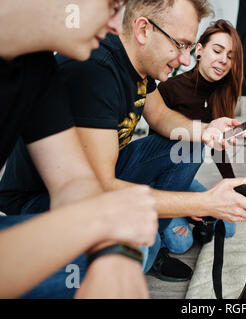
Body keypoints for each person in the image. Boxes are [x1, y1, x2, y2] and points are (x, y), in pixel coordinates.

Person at [0, 0, 246, 284]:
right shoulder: (91, 67)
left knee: (189, 146)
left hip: (97, 176)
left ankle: (153, 237)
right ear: (143, 30)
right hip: (38, 200)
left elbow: (159, 116)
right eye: (181, 45)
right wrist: (200, 203)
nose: (186, 59)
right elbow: (93, 188)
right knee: (137, 248)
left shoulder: (47, 66)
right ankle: (150, 243)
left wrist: (206, 130)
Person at [0, 0, 158, 299]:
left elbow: (72, 180)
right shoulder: (94, 66)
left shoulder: (36, 63)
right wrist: (100, 220)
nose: (115, 25)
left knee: (132, 247)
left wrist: (111, 247)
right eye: (112, 7)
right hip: (24, 203)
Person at [152, 19, 244, 254]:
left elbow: (218, 148)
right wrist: (186, 204)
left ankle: (195, 216)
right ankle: (187, 216)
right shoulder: (169, 88)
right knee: (180, 244)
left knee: (230, 226)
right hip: (161, 181)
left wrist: (230, 186)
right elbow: (155, 155)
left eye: (231, 56)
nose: (223, 60)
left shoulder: (223, 95)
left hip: (186, 178)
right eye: (217, 50)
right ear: (199, 50)